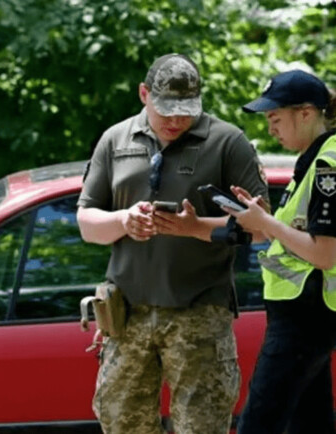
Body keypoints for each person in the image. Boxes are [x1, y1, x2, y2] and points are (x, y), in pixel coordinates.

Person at [76, 53, 269, 434]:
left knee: (201, 426)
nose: (176, 120)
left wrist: (194, 228)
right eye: (166, 110)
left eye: (186, 111)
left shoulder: (228, 142)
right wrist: (124, 220)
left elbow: (263, 229)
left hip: (200, 313)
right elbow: (87, 224)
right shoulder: (115, 140)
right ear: (144, 94)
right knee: (122, 424)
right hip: (127, 314)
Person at [230, 70, 336, 434]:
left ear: (306, 113)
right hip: (302, 314)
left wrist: (267, 222)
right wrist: (262, 221)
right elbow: (294, 237)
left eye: (275, 118)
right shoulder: (311, 160)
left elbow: (325, 254)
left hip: (306, 316)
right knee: (310, 425)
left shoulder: (328, 166)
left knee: (259, 424)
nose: (271, 129)